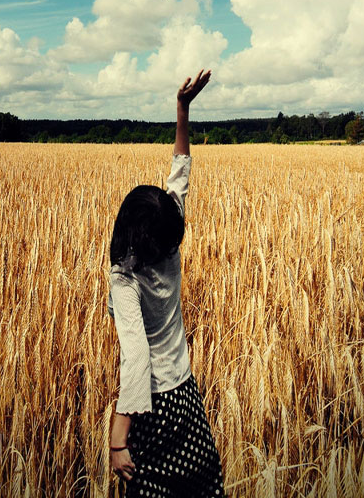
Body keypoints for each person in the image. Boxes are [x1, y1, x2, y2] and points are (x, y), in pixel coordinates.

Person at [107, 69, 225, 497]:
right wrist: (182, 109)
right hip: (186, 396)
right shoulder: (170, 242)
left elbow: (138, 355)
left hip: (151, 408)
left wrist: (118, 438)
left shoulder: (125, 279)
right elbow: (180, 172)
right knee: (202, 486)